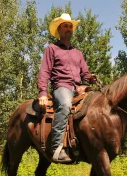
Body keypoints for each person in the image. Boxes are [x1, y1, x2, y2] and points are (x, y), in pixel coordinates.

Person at [37, 13, 97, 163]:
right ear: (59, 29)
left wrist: (90, 79)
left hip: (77, 88)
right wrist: (43, 93)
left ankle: (81, 146)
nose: (68, 29)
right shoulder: (52, 49)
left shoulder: (78, 53)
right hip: (61, 86)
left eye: (70, 26)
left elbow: (85, 73)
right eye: (65, 26)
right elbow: (45, 71)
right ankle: (56, 147)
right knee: (65, 105)